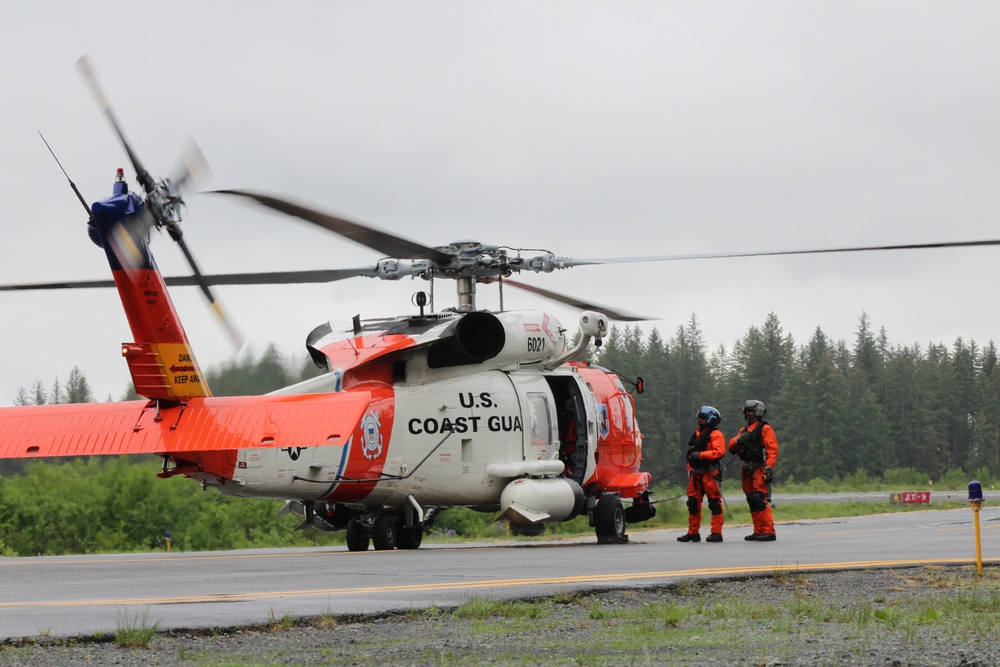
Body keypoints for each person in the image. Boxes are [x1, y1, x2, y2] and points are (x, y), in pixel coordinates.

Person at [728, 399, 778, 541]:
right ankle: (758, 530)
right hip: (746, 469)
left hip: (758, 468)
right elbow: (731, 446)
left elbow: (772, 450)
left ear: (758, 412)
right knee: (751, 499)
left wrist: (769, 469)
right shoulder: (744, 430)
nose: (748, 414)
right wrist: (740, 440)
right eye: (747, 411)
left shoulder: (765, 429)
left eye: (751, 411)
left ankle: (769, 530)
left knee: (759, 498)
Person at [677, 405, 726, 543]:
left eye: (703, 418)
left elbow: (719, 452)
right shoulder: (698, 433)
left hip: (710, 473)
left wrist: (700, 456)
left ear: (711, 419)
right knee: (692, 503)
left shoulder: (716, 434)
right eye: (699, 417)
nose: (699, 420)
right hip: (696, 473)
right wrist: (690, 465)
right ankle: (693, 532)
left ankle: (716, 532)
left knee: (714, 503)